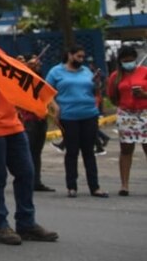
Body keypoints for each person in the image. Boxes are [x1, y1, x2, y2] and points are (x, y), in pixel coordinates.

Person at [0, 12, 58, 246]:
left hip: (13, 123)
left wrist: (25, 69)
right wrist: (13, 71)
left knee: (26, 173)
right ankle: (0, 226)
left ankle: (26, 223)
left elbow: (13, 77)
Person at [46, 45, 107, 198]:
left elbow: (95, 90)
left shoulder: (86, 71)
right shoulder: (56, 72)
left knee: (89, 152)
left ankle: (95, 187)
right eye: (78, 57)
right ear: (69, 55)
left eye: (82, 57)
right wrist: (55, 106)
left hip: (89, 114)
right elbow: (45, 91)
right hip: (68, 116)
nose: (81, 60)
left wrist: (97, 83)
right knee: (72, 152)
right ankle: (71, 186)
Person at [106, 44, 147, 196]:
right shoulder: (115, 76)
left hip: (144, 113)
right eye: (125, 61)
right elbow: (112, 96)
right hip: (126, 115)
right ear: (120, 61)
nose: (128, 63)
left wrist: (143, 95)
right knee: (126, 149)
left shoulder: (144, 72)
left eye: (130, 60)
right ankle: (124, 185)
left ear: (135, 59)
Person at [17, 53, 55, 192]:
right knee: (27, 152)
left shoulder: (40, 80)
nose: (38, 65)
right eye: (34, 63)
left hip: (40, 119)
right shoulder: (23, 77)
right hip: (28, 120)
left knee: (36, 152)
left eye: (39, 64)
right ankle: (26, 180)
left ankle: (35, 181)